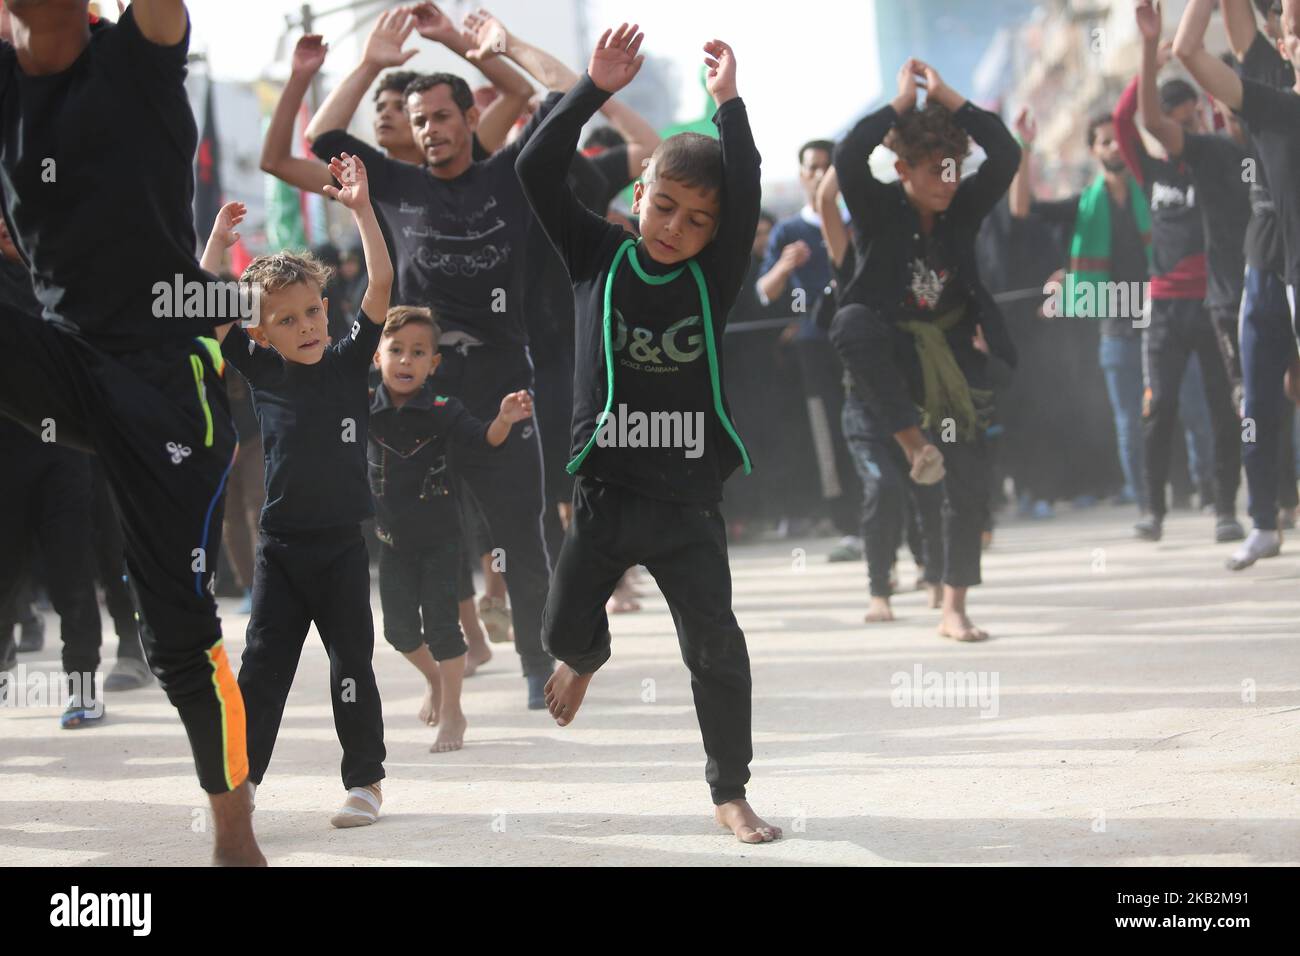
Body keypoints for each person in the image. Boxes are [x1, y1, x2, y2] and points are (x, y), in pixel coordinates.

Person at [0, 0, 262, 866]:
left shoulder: (137, 59)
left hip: (163, 373)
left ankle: (233, 830)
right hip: (63, 361)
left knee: (177, 630)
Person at [517, 24, 780, 843]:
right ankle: (586, 658)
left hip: (689, 503)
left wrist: (728, 103)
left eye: (697, 219)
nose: (674, 227)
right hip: (604, 494)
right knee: (559, 631)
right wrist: (591, 88)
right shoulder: (595, 253)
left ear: (715, 232)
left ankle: (729, 790)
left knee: (716, 651)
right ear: (636, 196)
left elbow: (748, 179)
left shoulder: (715, 274)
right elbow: (534, 167)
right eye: (664, 205)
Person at [306, 16, 572, 710]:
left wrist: (461, 41)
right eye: (419, 120)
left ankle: (537, 664)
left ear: (469, 116)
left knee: (522, 526)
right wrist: (368, 64)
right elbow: (322, 140)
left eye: (442, 116)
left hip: (501, 380)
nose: (429, 129)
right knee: (424, 529)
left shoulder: (509, 175)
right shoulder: (394, 184)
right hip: (421, 390)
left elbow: (557, 101)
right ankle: (443, 674)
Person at [207, 152, 391, 829]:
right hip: (280, 552)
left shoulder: (346, 363)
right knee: (263, 671)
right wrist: (219, 246)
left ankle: (365, 782)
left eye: (313, 312)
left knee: (352, 667)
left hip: (342, 546)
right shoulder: (261, 371)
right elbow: (213, 312)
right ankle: (241, 784)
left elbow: (381, 284)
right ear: (262, 333)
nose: (308, 326)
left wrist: (362, 210)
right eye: (288, 320)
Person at [829, 58, 1021, 642]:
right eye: (935, 171)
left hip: (953, 358)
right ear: (903, 169)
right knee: (850, 322)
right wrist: (899, 105)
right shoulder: (876, 206)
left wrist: (953, 100)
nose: (949, 181)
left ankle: (953, 606)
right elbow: (845, 156)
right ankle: (914, 447)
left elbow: (1007, 153)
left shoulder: (963, 208)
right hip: (890, 357)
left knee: (966, 483)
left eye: (954, 169)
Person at [368, 304, 533, 753]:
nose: (406, 360)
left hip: (441, 540)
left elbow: (484, 439)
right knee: (399, 631)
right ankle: (435, 679)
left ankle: (454, 712)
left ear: (433, 363)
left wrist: (502, 419)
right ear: (376, 356)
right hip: (391, 543)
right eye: (396, 350)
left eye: (418, 352)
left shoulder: (442, 409)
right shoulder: (363, 408)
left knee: (443, 629)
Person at [1116, 1, 1245, 544]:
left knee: (1222, 408)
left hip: (1213, 302)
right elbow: (1129, 120)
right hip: (1164, 309)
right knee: (1158, 407)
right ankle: (1153, 510)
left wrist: (1198, 75)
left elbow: (1233, 118)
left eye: (1191, 114)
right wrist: (1153, 51)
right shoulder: (1151, 167)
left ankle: (1224, 510)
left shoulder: (1217, 160)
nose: (1184, 122)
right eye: (1175, 116)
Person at [1010, 109, 1153, 513]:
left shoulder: (1154, 190)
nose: (1112, 146)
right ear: (1093, 150)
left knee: (1183, 407)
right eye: (1103, 141)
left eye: (1117, 138)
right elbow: (1023, 210)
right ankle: (1146, 503)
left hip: (1162, 318)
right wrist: (1024, 147)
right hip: (1113, 327)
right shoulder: (1086, 205)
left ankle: (1202, 488)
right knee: (1126, 417)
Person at [818, 166, 943, 621]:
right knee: (883, 488)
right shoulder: (851, 265)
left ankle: (932, 573)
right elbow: (826, 202)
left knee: (926, 488)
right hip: (865, 409)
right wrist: (850, 153)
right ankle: (879, 590)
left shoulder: (917, 263)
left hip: (915, 400)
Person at [1212, 0, 1300, 569]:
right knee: (1258, 399)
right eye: (1288, 17)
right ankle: (1264, 519)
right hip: (1268, 260)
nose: (1291, 22)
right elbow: (1215, 35)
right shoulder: (1269, 78)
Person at [757, 139, 862, 559]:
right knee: (829, 433)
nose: (819, 174)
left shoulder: (859, 221)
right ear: (802, 175)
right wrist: (784, 265)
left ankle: (893, 512)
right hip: (816, 348)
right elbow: (765, 290)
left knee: (875, 424)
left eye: (827, 167)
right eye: (812, 167)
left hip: (862, 341)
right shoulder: (788, 231)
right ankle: (849, 525)